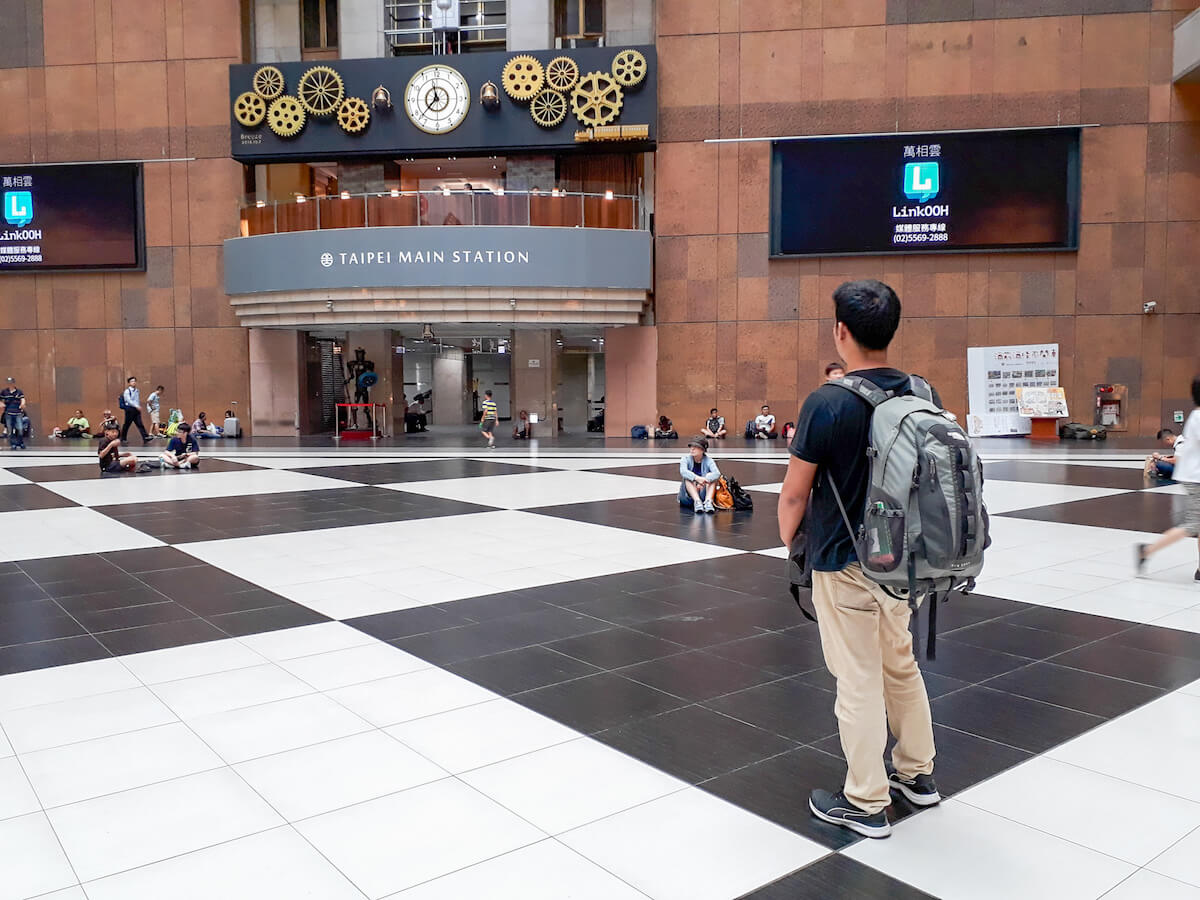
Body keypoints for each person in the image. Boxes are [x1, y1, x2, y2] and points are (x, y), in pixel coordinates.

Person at [778, 279, 939, 839]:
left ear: (840, 331)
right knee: (900, 663)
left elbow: (795, 494)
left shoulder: (827, 402)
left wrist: (793, 547)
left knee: (858, 678)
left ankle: (866, 801)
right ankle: (917, 775)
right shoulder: (921, 392)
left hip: (844, 562)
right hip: (904, 564)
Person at [1137, 376, 1200, 582]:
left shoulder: (1196, 416)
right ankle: (1146, 551)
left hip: (1193, 476)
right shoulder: (1199, 417)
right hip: (1196, 478)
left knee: (1197, 524)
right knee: (1193, 525)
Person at [679, 436, 721, 514]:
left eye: (695, 447)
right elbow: (683, 471)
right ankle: (697, 502)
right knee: (688, 477)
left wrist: (705, 480)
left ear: (702, 449)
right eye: (691, 446)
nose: (692, 449)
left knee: (712, 477)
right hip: (688, 496)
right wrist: (697, 479)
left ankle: (708, 502)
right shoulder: (685, 459)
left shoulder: (709, 461)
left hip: (703, 493)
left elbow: (717, 473)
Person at [120, 376, 151, 443]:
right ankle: (123, 438)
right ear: (129, 383)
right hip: (129, 409)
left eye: (134, 381)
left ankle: (145, 437)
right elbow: (129, 400)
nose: (134, 382)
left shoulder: (137, 390)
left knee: (140, 423)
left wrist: (138, 406)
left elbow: (137, 400)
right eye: (132, 381)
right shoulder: (127, 391)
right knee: (127, 424)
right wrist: (136, 406)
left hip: (136, 409)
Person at [2, 376, 26, 450]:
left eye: (11, 382)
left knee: (20, 429)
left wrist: (22, 404)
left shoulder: (19, 392)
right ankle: (13, 444)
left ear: (13, 383)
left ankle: (20, 442)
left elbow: (23, 399)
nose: (10, 384)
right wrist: (1, 404)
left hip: (18, 413)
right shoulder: (4, 392)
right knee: (10, 430)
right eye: (8, 382)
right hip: (8, 413)